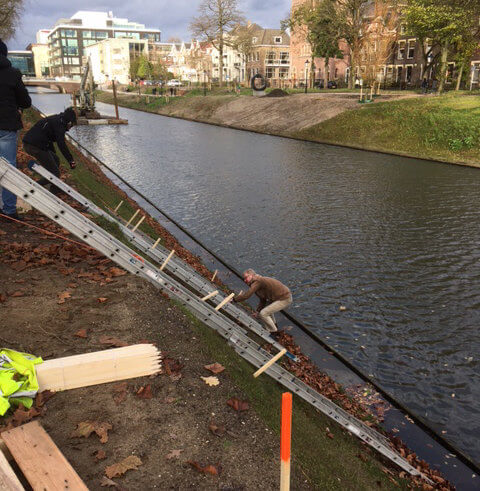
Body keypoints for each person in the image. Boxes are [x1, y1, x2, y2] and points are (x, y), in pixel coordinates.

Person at [0, 38, 32, 220]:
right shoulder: (13, 73)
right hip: (7, 126)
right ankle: (9, 210)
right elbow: (26, 102)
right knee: (7, 167)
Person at [22, 107, 77, 195]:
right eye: (71, 125)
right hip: (35, 146)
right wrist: (71, 160)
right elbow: (61, 144)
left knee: (55, 159)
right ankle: (37, 189)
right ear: (69, 122)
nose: (70, 129)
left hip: (34, 143)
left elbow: (49, 138)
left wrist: (52, 154)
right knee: (55, 174)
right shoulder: (60, 125)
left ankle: (50, 183)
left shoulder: (58, 119)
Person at [233, 269, 292, 333]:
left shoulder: (258, 281)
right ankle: (274, 326)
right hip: (276, 298)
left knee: (263, 314)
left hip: (284, 298)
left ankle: (273, 331)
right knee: (264, 311)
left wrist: (235, 299)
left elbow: (247, 295)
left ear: (251, 275)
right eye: (244, 279)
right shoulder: (255, 283)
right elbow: (263, 299)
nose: (245, 280)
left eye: (246, 278)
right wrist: (257, 311)